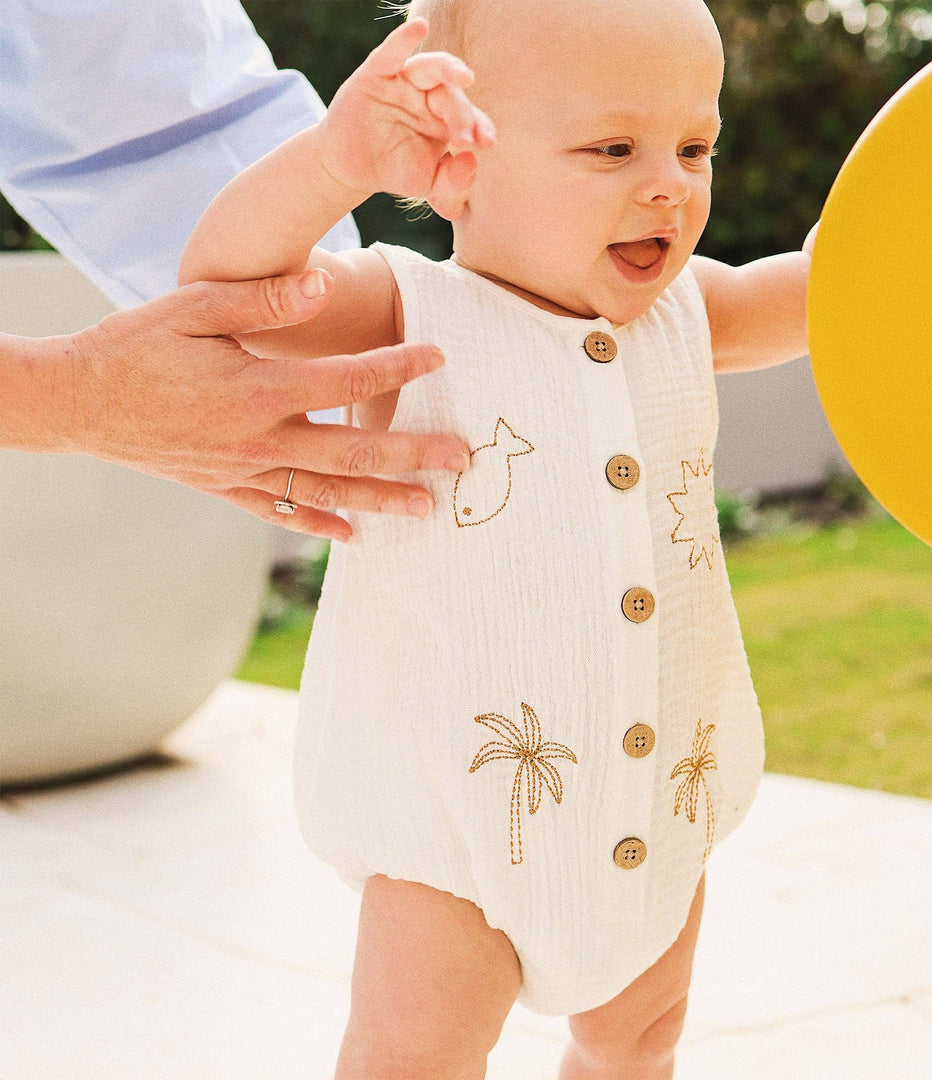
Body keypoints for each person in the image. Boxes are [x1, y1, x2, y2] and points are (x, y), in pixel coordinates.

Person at [180, 1, 813, 1077]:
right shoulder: (410, 309)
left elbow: (835, 287)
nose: (670, 182)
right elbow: (230, 295)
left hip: (653, 796)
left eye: (695, 146)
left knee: (639, 1038)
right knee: (413, 1051)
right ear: (456, 169)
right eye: (614, 148)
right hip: (456, 821)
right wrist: (336, 163)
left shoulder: (690, 312)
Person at [0, 0, 470, 541]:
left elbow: (139, 86)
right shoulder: (404, 309)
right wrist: (330, 168)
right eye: (593, 148)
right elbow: (243, 291)